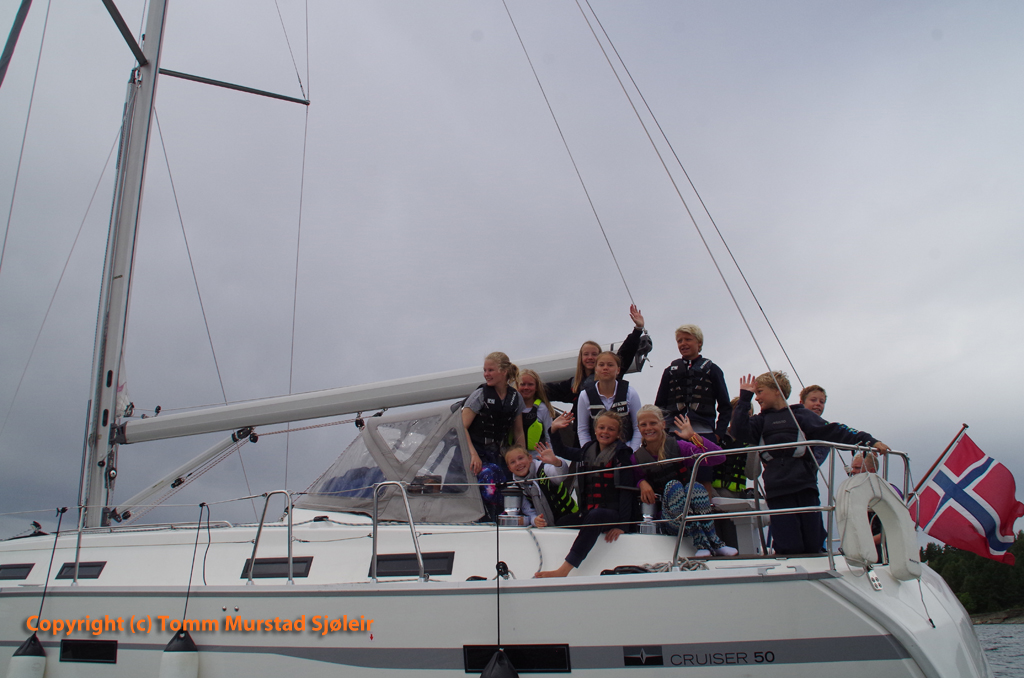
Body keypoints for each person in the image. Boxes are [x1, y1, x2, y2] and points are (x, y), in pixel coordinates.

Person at [730, 371, 890, 555]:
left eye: (759, 392)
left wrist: (869, 441)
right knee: (788, 545)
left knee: (813, 542)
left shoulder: (801, 416)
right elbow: (738, 431)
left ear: (777, 390)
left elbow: (835, 431)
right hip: (777, 491)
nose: (757, 398)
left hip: (805, 488)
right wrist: (745, 398)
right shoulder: (759, 422)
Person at [536, 410, 635, 577]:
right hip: (590, 513)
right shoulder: (587, 450)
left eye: (611, 429)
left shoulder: (622, 455)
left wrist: (622, 526)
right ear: (595, 430)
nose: (605, 432)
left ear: (618, 434)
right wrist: (554, 430)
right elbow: (561, 450)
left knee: (595, 516)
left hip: (612, 514)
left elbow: (627, 492)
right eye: (601, 427)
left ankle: (564, 570)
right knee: (563, 521)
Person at [633, 404, 737, 557]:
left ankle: (714, 542)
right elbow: (631, 479)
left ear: (663, 424)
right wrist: (641, 483)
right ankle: (703, 543)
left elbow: (719, 457)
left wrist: (693, 436)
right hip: (669, 520)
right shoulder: (636, 459)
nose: (648, 428)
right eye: (644, 424)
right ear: (639, 428)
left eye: (653, 423)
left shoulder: (679, 447)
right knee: (673, 486)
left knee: (695, 487)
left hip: (692, 510)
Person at [545, 305, 647, 443]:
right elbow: (548, 390)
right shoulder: (574, 385)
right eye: (586, 354)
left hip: (615, 437)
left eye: (594, 354)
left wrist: (637, 330)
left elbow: (625, 353)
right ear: (581, 358)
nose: (590, 358)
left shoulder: (611, 375)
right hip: (585, 441)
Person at [462, 352, 527, 520]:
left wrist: (522, 457)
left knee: (510, 481)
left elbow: (519, 431)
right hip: (475, 452)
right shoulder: (480, 395)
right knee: (490, 474)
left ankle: (510, 516)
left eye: (490, 370)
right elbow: (462, 427)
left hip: (498, 453)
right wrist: (473, 455)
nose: (486, 374)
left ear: (503, 371)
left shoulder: (516, 398)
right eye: (485, 370)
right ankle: (489, 518)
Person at [654, 324, 731, 443]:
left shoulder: (713, 370)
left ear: (699, 342)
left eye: (688, 339)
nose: (683, 343)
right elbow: (659, 405)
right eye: (679, 341)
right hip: (673, 434)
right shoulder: (669, 372)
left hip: (705, 433)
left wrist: (718, 434)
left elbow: (725, 405)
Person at [576, 352, 642, 451]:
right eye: (601, 365)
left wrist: (631, 451)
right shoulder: (585, 395)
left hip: (625, 449)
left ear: (618, 370)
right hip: (597, 453)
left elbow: (638, 427)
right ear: (596, 369)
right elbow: (582, 429)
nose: (605, 368)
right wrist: (589, 452)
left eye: (610, 365)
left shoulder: (630, 392)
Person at [503, 444, 577, 527]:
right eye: (513, 462)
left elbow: (561, 476)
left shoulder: (543, 469)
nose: (518, 463)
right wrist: (535, 520)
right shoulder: (516, 487)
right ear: (509, 468)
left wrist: (556, 462)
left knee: (563, 521)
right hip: (546, 527)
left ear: (530, 458)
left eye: (520, 458)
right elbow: (528, 510)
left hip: (571, 517)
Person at [516, 369, 555, 453]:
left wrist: (551, 456)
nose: (526, 387)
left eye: (530, 384)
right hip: (514, 457)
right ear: (517, 386)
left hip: (537, 456)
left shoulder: (543, 409)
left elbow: (549, 437)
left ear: (536, 387)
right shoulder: (512, 407)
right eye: (522, 384)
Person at [796, 384, 829, 466]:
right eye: (813, 400)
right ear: (802, 403)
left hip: (810, 469)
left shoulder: (825, 427)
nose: (818, 404)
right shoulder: (793, 421)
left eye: (822, 402)